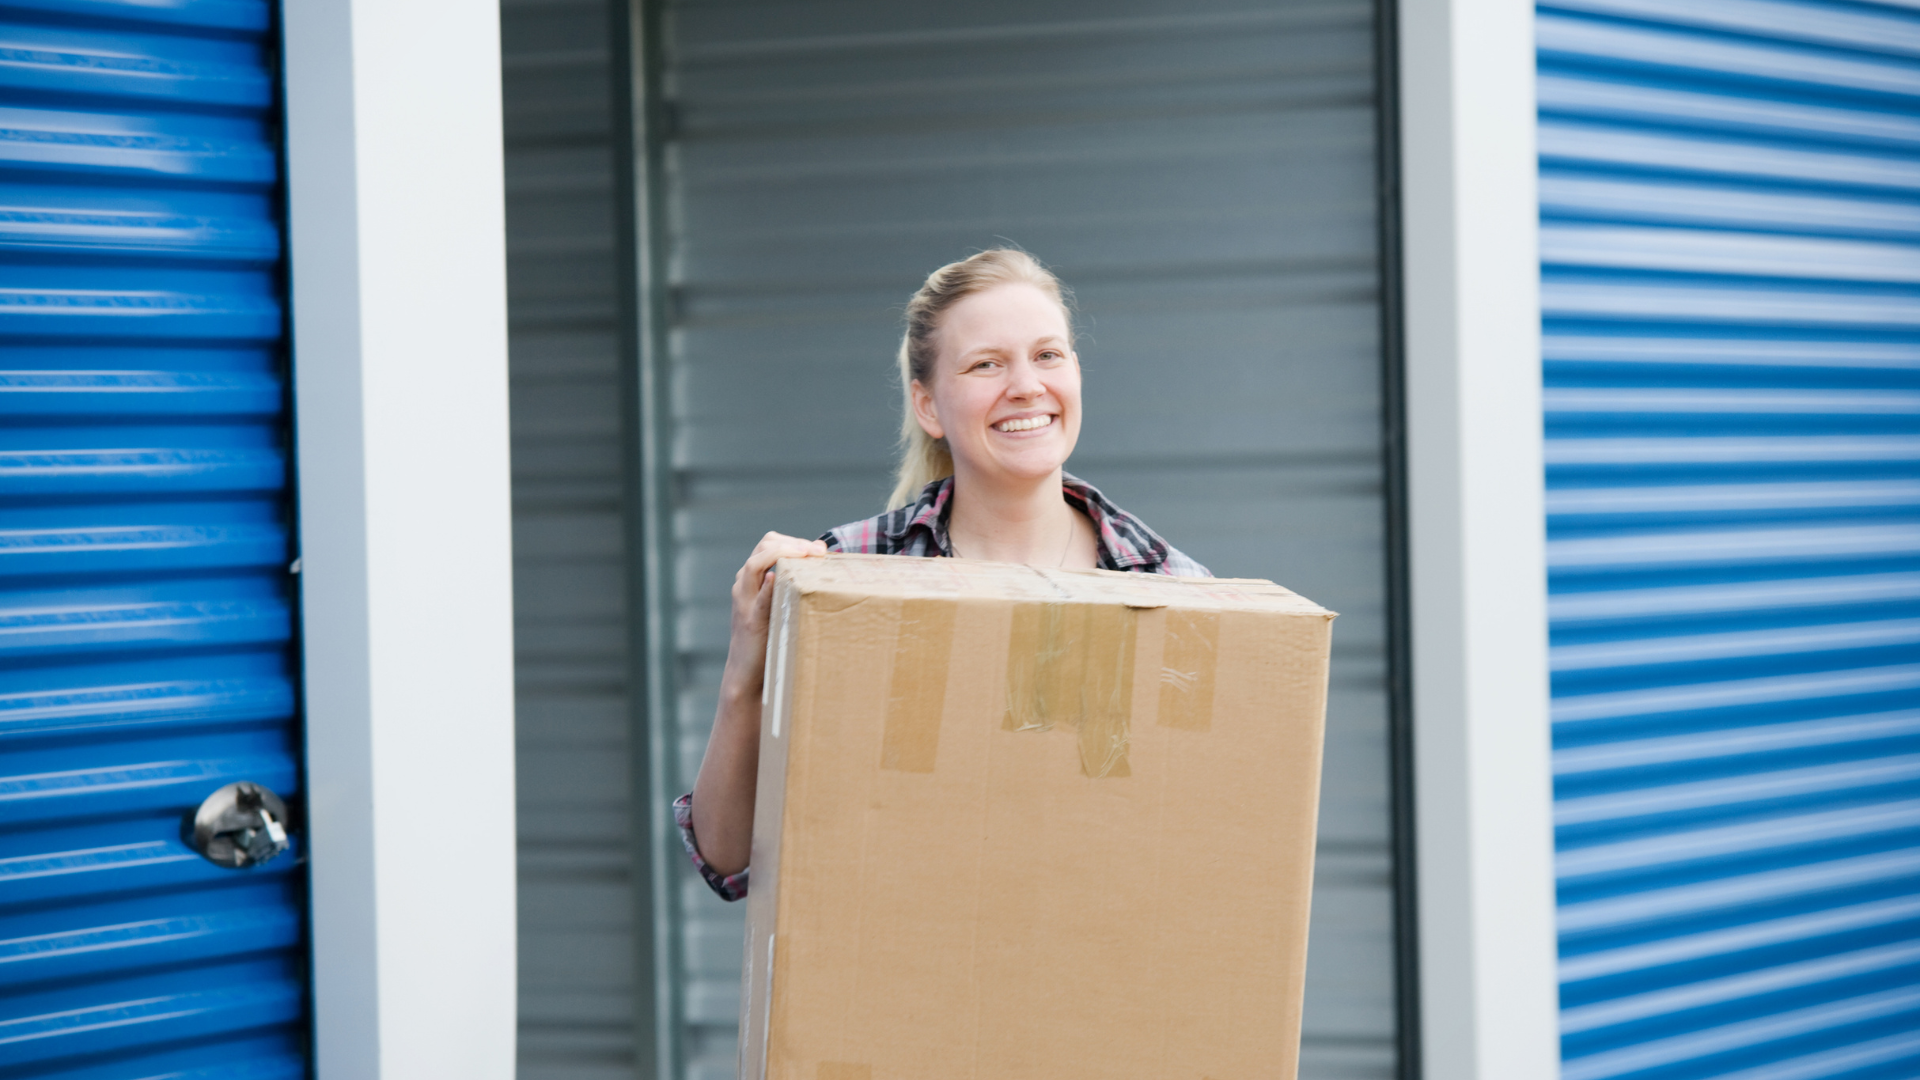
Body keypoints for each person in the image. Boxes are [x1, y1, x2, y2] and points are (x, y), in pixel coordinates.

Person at [674, 248, 1210, 901]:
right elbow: (728, 862)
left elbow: (1205, 847)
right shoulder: (849, 583)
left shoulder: (1174, 593)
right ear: (928, 406)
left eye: (1048, 355)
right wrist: (743, 679)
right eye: (987, 364)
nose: (1025, 386)